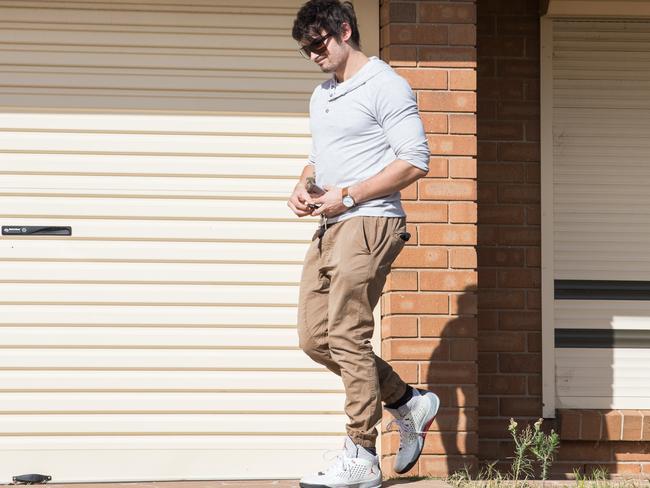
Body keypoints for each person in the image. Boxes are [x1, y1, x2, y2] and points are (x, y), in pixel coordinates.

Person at [288, 1, 441, 487]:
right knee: (316, 338)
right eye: (305, 49)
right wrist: (303, 183)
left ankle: (361, 455)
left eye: (319, 43)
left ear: (344, 31)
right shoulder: (323, 93)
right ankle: (406, 402)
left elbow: (415, 160)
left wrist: (349, 194)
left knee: (349, 334)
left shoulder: (385, 84)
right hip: (330, 225)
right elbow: (320, 156)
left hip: (371, 221)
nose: (313, 54)